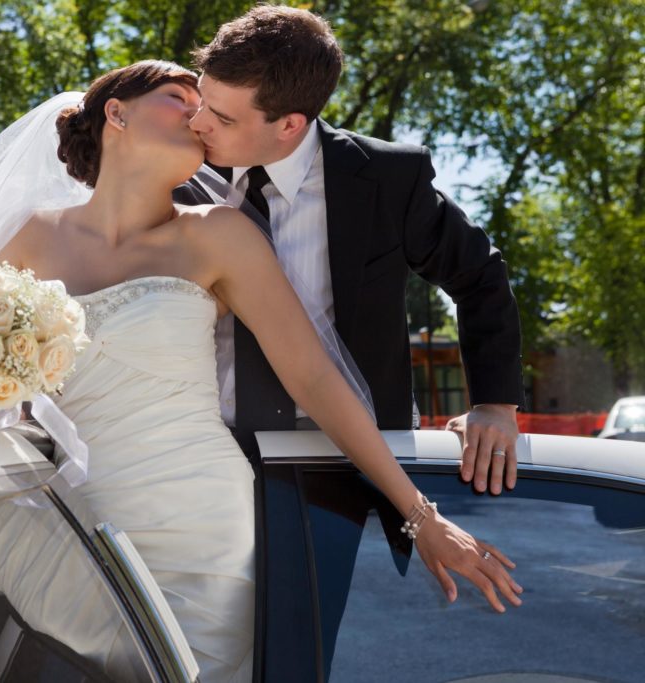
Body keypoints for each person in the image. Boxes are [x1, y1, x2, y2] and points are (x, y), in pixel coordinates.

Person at [0, 61, 521, 683]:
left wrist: (422, 516)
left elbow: (315, 379)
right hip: (82, 522)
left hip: (204, 532)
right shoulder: (34, 239)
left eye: (209, 112)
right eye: (182, 98)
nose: (202, 118)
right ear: (116, 115)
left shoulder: (219, 235)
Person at [176, 6, 525, 497]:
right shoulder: (174, 175)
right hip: (204, 456)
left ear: (290, 125)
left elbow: (480, 276)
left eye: (223, 116)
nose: (198, 122)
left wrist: (495, 404)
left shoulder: (388, 180)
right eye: (201, 99)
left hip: (356, 465)